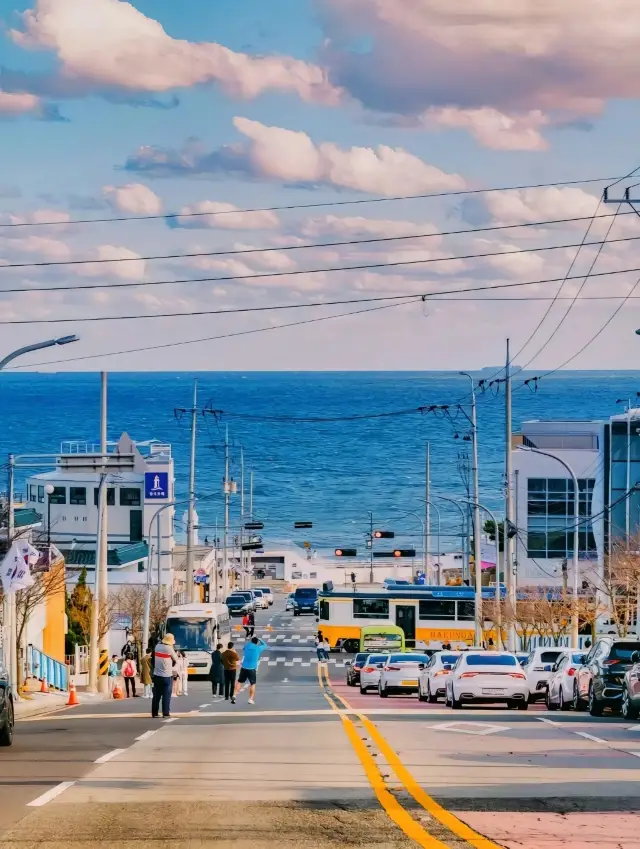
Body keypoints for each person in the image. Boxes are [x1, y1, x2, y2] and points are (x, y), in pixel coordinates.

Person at [151, 633, 179, 718]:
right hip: (167, 675)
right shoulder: (169, 649)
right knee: (166, 695)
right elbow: (176, 659)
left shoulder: (157, 646)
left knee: (156, 695)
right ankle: (165, 712)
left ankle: (154, 713)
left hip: (157, 675)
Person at [235, 636, 268, 705]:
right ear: (257, 642)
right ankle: (250, 699)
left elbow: (244, 648)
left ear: (251, 641)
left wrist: (250, 643)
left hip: (244, 667)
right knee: (252, 684)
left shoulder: (247, 646)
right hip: (252, 669)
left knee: (239, 682)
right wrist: (260, 639)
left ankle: (234, 695)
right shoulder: (258, 648)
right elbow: (265, 645)